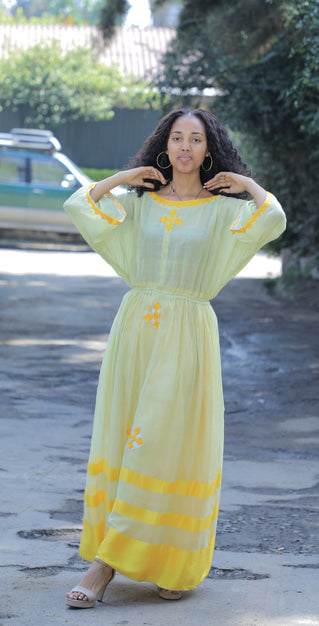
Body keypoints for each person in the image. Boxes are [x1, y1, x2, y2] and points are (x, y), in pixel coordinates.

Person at [64, 108, 286, 608]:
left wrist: (246, 184)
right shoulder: (139, 204)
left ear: (210, 150)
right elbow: (79, 205)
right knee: (130, 436)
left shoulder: (222, 209)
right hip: (136, 331)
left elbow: (273, 219)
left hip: (188, 335)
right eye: (177, 137)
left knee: (169, 443)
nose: (186, 147)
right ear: (165, 146)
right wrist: (123, 178)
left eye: (197, 139)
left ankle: (171, 559)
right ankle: (104, 563)